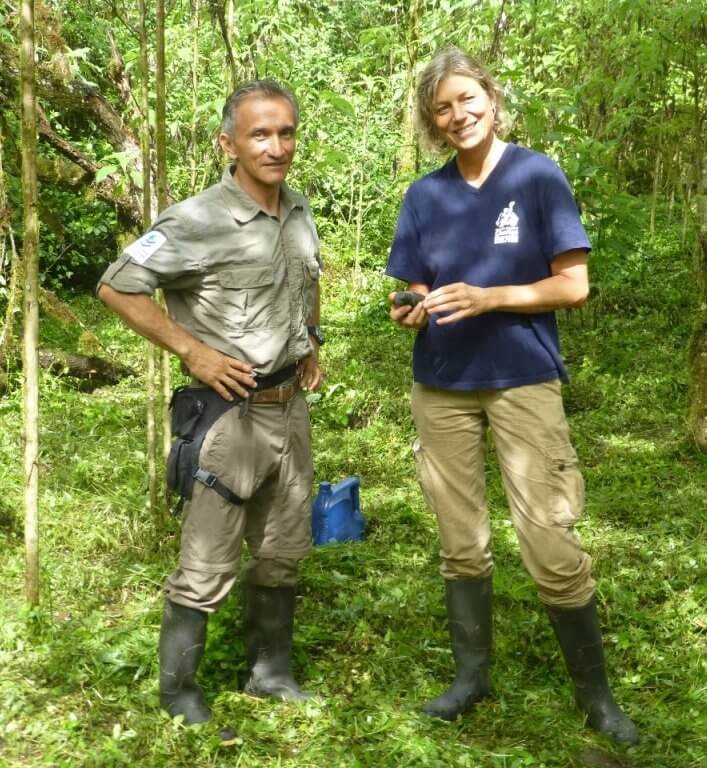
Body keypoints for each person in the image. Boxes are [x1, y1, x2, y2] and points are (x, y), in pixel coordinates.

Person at [386, 49, 639, 745]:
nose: (457, 114)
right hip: (440, 385)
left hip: (522, 379)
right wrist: (408, 305)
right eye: (442, 107)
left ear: (491, 101)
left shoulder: (535, 175)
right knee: (459, 543)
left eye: (467, 99)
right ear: (431, 122)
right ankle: (471, 679)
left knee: (550, 541)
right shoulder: (424, 196)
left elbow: (572, 284)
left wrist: (491, 297)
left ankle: (597, 700)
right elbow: (411, 285)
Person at [98, 79, 324, 740]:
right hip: (227, 415)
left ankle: (271, 673)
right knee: (206, 561)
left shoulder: (299, 209)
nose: (275, 146)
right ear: (228, 142)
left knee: (283, 548)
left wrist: (310, 343)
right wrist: (191, 352)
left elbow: (306, 283)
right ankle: (180, 691)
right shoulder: (195, 219)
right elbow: (117, 286)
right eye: (259, 134)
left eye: (285, 132)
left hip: (290, 408)